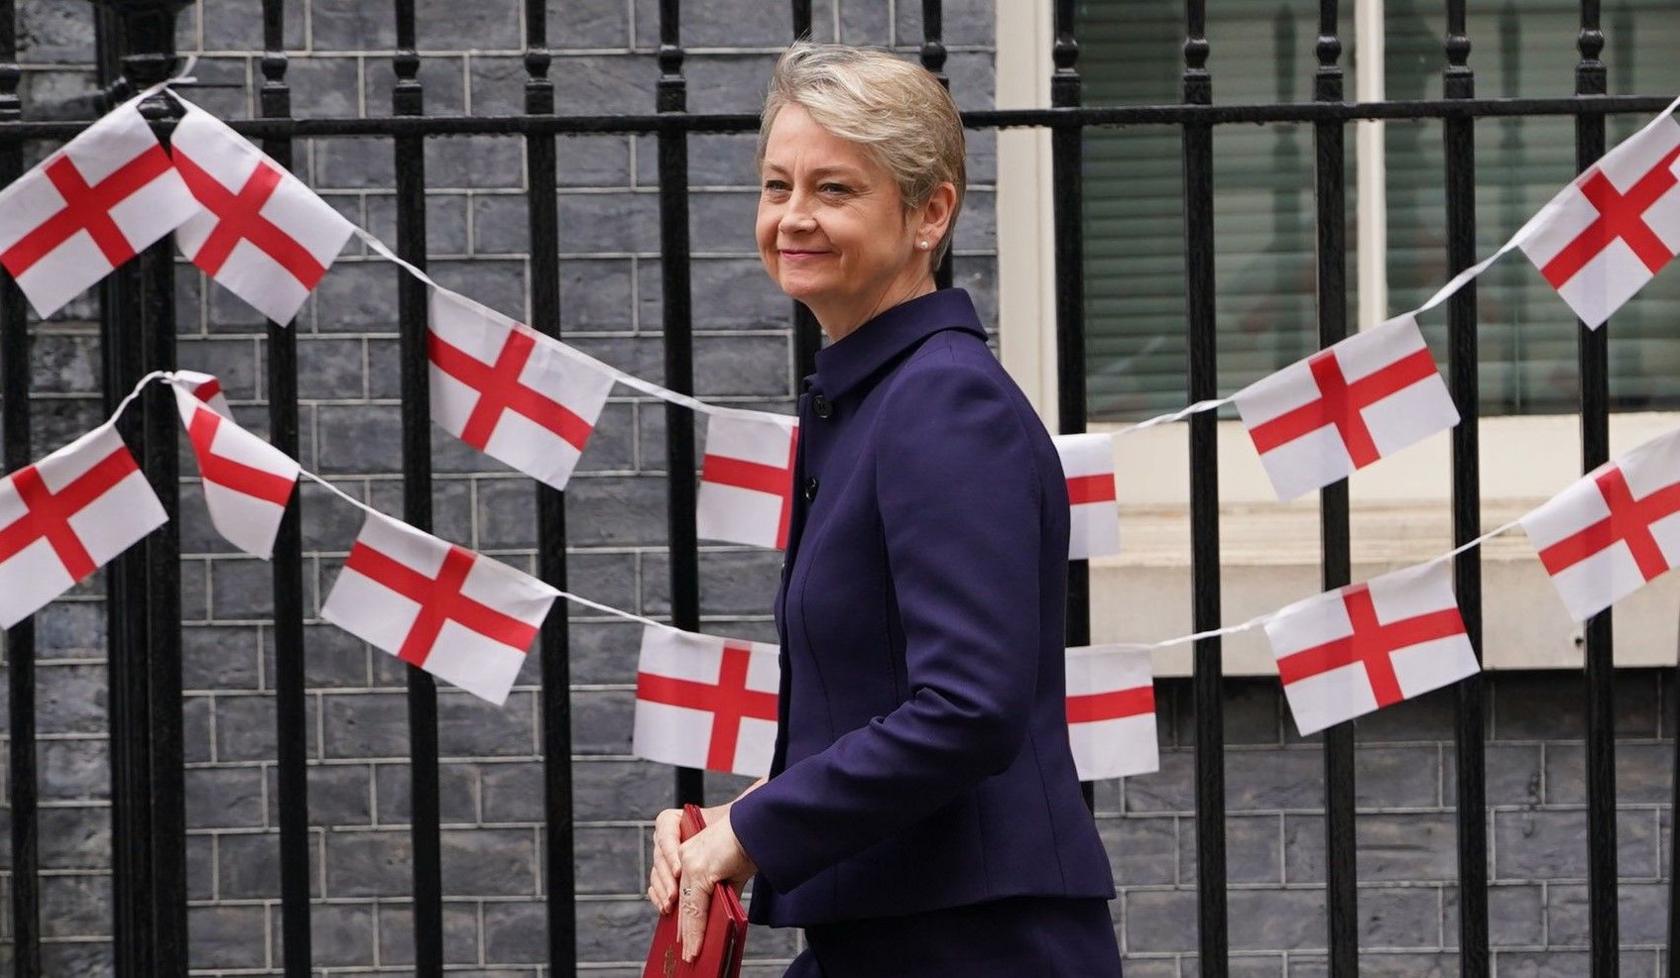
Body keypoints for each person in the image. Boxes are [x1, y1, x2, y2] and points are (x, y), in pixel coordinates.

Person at [645, 41, 1122, 977]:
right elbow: (879, 702)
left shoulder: (944, 402)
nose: (792, 218)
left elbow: (967, 710)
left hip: (975, 946)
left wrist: (754, 830)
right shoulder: (871, 400)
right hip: (893, 933)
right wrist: (732, 821)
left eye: (833, 190)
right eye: (778, 186)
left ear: (929, 213)